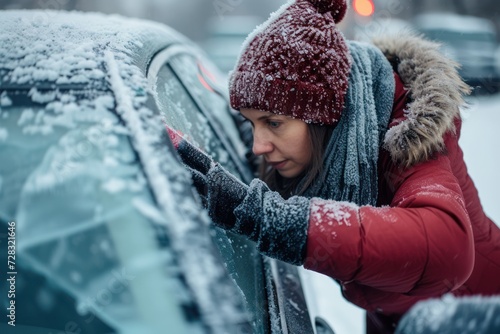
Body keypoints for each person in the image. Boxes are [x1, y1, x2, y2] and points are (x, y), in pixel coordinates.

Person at [168, 0, 500, 332]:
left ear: (325, 119)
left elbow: (447, 248)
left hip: (476, 314)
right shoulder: (325, 138)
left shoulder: (406, 136)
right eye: (252, 123)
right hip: (394, 318)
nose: (259, 145)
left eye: (272, 123)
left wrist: (267, 217)